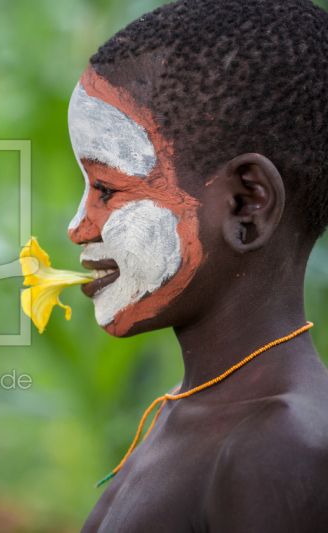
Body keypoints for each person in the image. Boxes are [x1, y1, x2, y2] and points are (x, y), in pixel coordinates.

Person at [67, 0, 328, 531]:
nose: (78, 227)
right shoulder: (186, 415)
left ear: (245, 204)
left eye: (108, 190)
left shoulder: (277, 448)